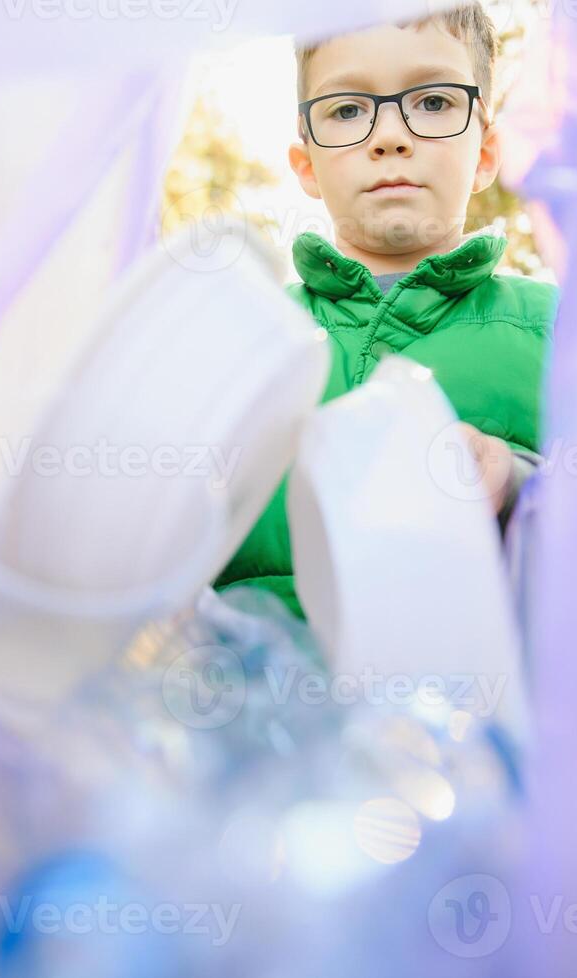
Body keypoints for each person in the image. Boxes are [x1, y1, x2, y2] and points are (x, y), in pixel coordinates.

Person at [213, 4, 559, 620]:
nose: (389, 136)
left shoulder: (556, 330)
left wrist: (514, 481)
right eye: (347, 109)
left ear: (485, 153)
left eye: (432, 102)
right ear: (306, 165)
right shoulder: (244, 344)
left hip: (476, 703)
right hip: (262, 701)